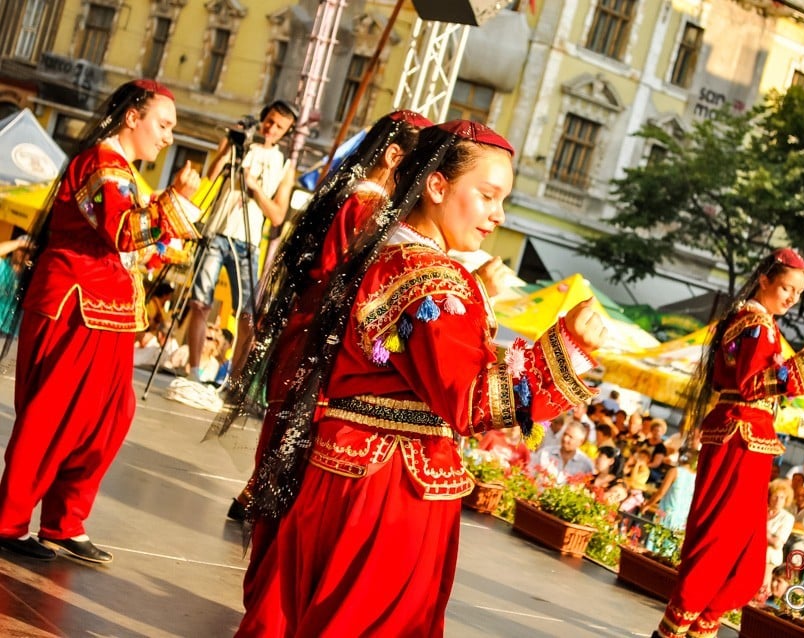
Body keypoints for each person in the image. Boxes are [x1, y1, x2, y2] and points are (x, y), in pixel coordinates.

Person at [233, 120, 607, 636]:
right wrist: (567, 347)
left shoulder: (389, 253)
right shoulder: (428, 276)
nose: (497, 215)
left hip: (353, 466)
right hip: (391, 485)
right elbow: (471, 401)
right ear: (436, 186)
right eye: (488, 196)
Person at [0, 79, 199, 563]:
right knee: (52, 416)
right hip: (76, 307)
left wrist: (164, 224)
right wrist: (175, 199)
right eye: (164, 124)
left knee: (106, 420)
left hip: (107, 312)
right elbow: (125, 231)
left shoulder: (121, 170)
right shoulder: (103, 165)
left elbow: (128, 243)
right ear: (133, 117)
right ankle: (9, 521)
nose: (168, 137)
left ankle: (63, 521)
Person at [653, 247, 804, 638]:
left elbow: (734, 381)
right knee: (723, 540)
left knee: (737, 549)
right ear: (764, 279)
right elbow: (752, 385)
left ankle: (697, 627)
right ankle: (677, 628)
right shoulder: (757, 325)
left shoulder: (746, 320)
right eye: (786, 287)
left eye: (798, 293)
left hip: (742, 435)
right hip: (741, 436)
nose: (791, 298)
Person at [176, 99, 297, 398]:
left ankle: (234, 381)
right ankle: (194, 372)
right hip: (217, 230)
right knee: (200, 302)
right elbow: (212, 176)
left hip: (248, 240)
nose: (271, 129)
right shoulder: (239, 144)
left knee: (246, 313)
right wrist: (231, 145)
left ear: (287, 132)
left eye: (279, 127)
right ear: (262, 119)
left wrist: (255, 187)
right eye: (269, 122)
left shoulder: (284, 166)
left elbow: (278, 215)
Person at [529, 420, 595, 485]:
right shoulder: (544, 453)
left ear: (581, 441)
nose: (565, 438)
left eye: (570, 437)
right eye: (565, 434)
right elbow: (530, 473)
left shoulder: (586, 465)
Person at [0, 235, 30, 335]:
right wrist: (19, 243)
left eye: (28, 252)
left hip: (13, 333)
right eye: (22, 250)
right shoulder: (2, 266)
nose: (25, 254)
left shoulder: (30, 274)